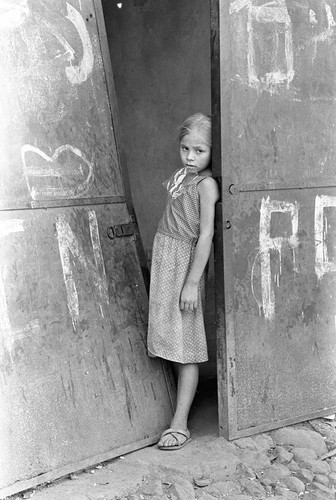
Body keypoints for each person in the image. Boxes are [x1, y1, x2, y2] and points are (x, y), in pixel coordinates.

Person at [147, 113, 220, 450]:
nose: (190, 157)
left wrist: (192, 282)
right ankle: (165, 408)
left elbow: (205, 236)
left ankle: (180, 423)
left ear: (213, 152)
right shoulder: (182, 177)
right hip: (166, 260)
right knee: (168, 337)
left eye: (199, 151)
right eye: (185, 149)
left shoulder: (206, 185)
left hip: (184, 265)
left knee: (186, 343)